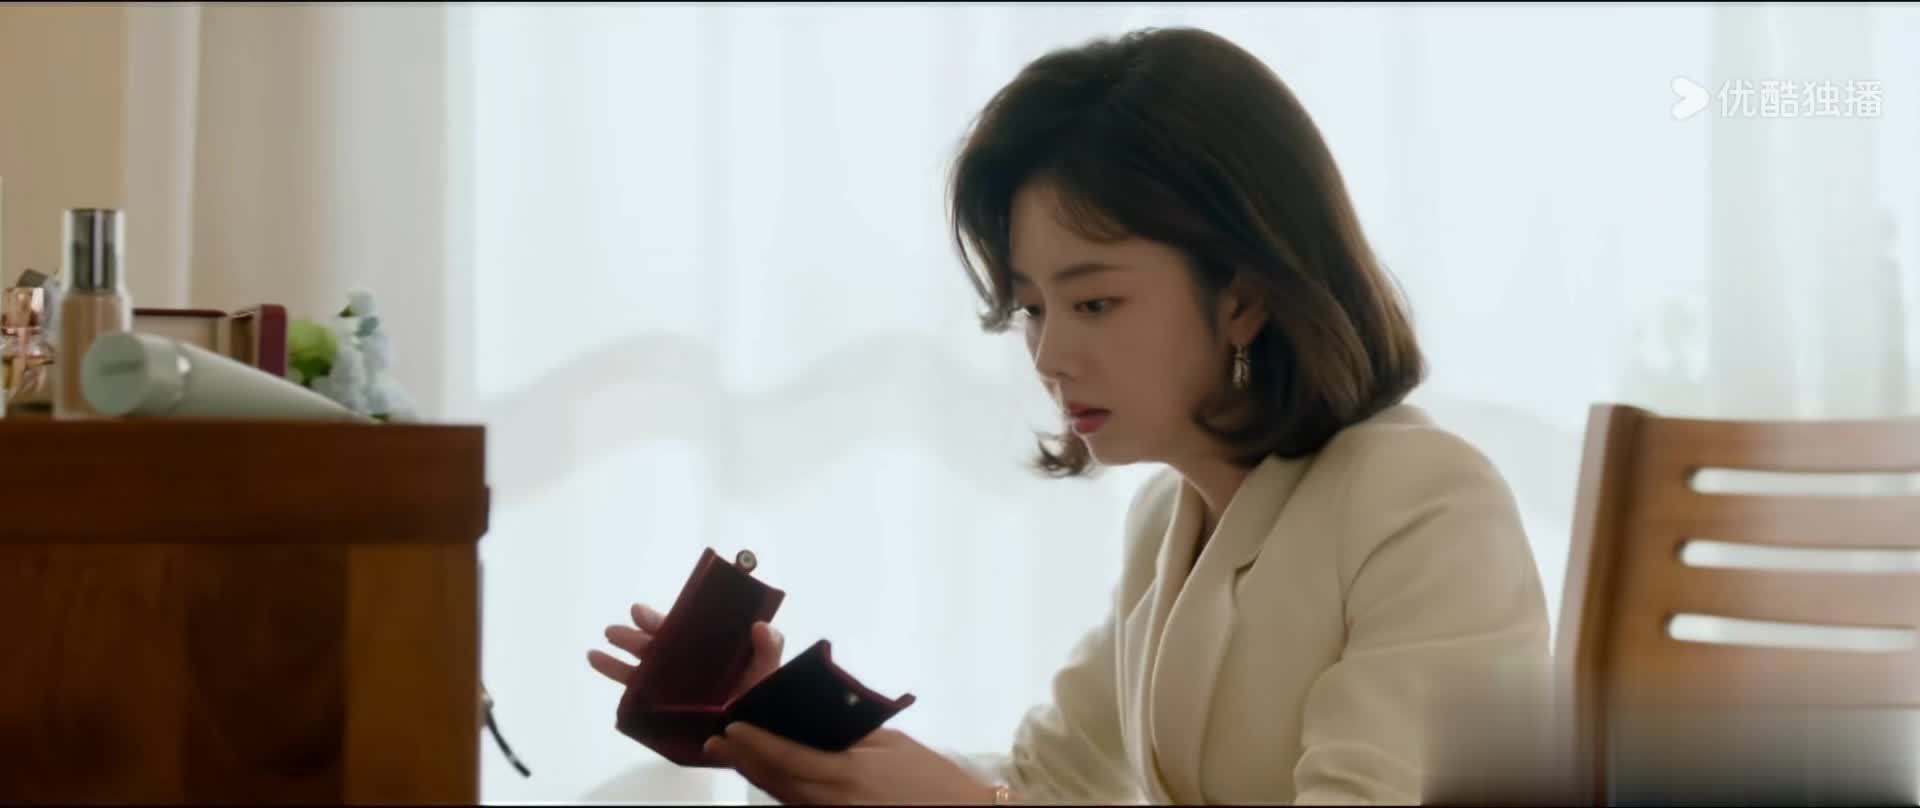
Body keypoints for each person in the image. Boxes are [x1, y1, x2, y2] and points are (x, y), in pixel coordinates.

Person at [589, 26, 1551, 805]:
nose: (1049, 356)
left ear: (1246, 295)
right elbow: (1048, 781)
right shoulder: (1171, 520)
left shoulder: (1424, 502)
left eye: (1094, 302)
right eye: (1032, 308)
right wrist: (779, 726)